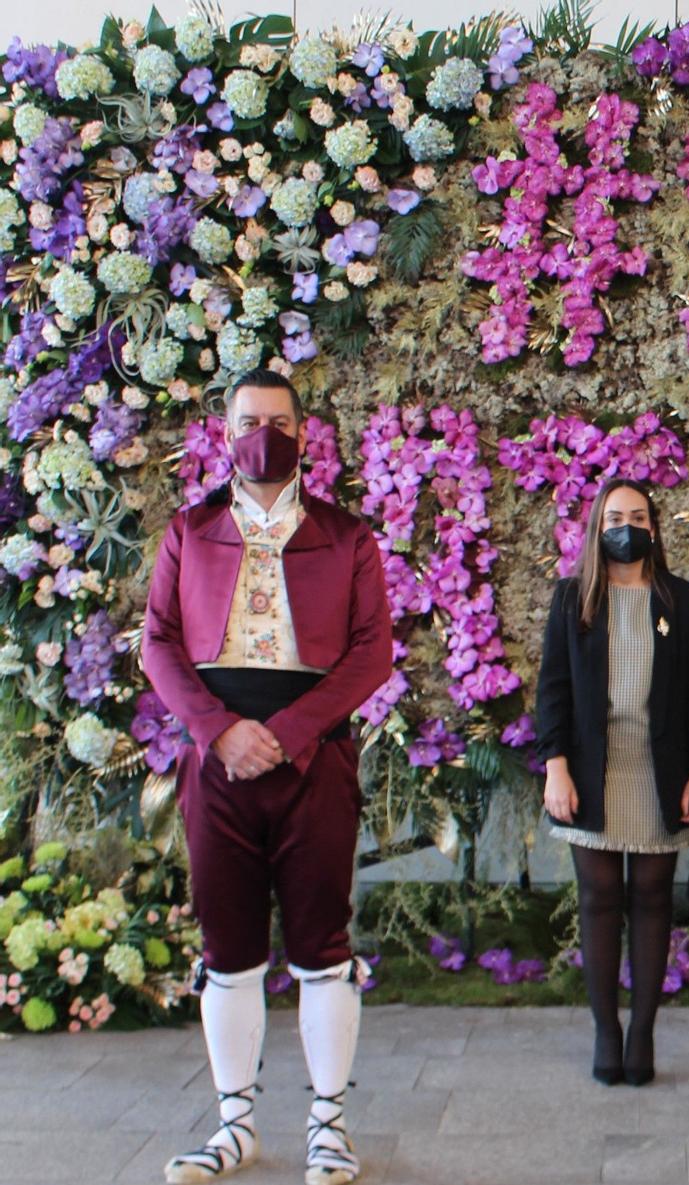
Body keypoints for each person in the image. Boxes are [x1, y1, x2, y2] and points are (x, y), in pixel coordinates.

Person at [143, 370, 391, 1185]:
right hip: (216, 761)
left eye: (279, 421)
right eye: (250, 420)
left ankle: (329, 1129)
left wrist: (285, 733)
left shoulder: (346, 535)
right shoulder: (191, 529)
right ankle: (236, 1125)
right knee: (230, 949)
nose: (265, 434)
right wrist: (220, 732)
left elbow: (371, 651)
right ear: (225, 433)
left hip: (313, 756)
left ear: (304, 434)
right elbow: (160, 644)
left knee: (323, 947)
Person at [536, 478, 689, 1086]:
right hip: (593, 772)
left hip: (658, 772)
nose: (626, 526)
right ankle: (605, 1032)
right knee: (599, 899)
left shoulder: (680, 600)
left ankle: (642, 1035)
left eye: (638, 515)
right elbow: (553, 692)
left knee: (653, 900)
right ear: (596, 525)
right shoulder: (572, 600)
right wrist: (555, 764)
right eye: (615, 516)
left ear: (654, 527)